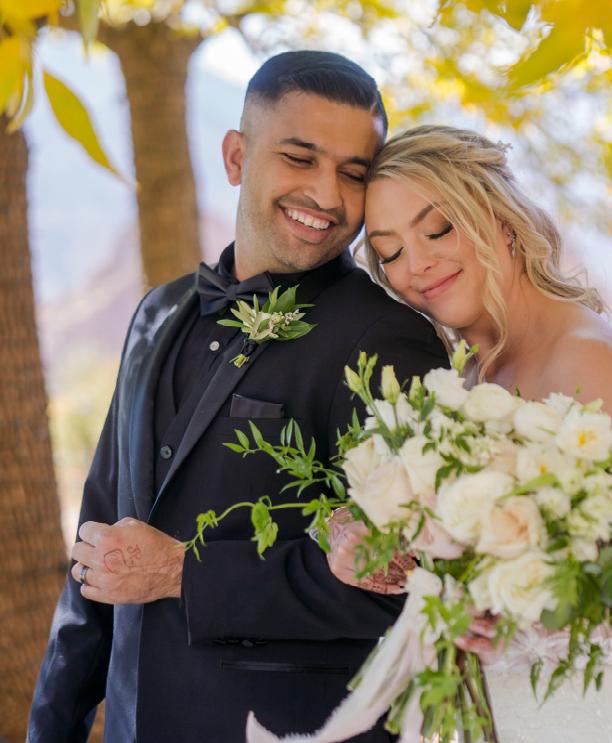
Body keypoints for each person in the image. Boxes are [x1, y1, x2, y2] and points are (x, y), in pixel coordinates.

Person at [28, 54, 449, 742]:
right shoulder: (156, 312)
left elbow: (413, 587)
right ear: (235, 156)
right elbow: (98, 546)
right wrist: (52, 728)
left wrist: (184, 574)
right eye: (299, 158)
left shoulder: (388, 340)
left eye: (353, 173)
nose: (327, 195)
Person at [327, 124, 612, 741]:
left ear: (500, 216)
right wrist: (367, 530)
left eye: (438, 229)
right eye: (390, 252)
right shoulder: (470, 374)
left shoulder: (585, 361)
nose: (416, 264)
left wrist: (505, 623)